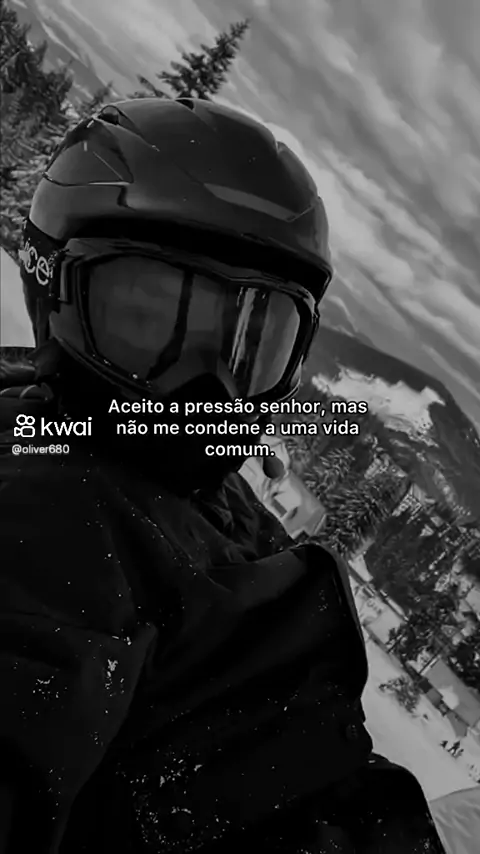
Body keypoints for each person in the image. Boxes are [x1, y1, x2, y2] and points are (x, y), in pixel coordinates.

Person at [0, 97, 445, 853]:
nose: (203, 395)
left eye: (250, 347)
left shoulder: (199, 495)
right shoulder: (46, 524)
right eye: (149, 317)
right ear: (56, 290)